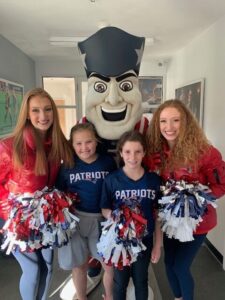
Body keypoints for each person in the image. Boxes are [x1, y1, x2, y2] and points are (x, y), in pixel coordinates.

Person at [145, 99, 225, 300]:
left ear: (186, 122)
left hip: (197, 222)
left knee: (181, 267)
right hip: (169, 221)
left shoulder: (206, 152)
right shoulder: (154, 152)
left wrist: (194, 198)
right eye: (163, 121)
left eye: (175, 120)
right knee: (169, 265)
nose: (168, 127)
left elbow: (221, 185)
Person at [0, 87, 74, 300]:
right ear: (27, 114)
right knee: (32, 271)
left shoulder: (58, 144)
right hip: (19, 221)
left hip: (47, 219)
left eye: (47, 109)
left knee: (48, 268)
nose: (43, 116)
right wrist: (12, 213)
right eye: (36, 111)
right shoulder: (8, 147)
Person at [56, 123, 117, 300]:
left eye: (88, 141)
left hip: (101, 218)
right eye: (78, 143)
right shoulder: (67, 165)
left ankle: (110, 295)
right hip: (75, 219)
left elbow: (115, 189)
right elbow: (60, 192)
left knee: (108, 264)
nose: (84, 148)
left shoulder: (107, 162)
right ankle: (81, 297)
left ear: (96, 141)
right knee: (79, 265)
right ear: (72, 145)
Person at [100, 130, 162, 300]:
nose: (132, 157)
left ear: (144, 153)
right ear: (121, 152)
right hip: (119, 240)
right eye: (127, 152)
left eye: (137, 152)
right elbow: (104, 209)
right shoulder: (112, 180)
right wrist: (117, 217)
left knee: (141, 280)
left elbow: (157, 215)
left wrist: (158, 245)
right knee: (120, 282)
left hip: (145, 240)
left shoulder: (154, 180)